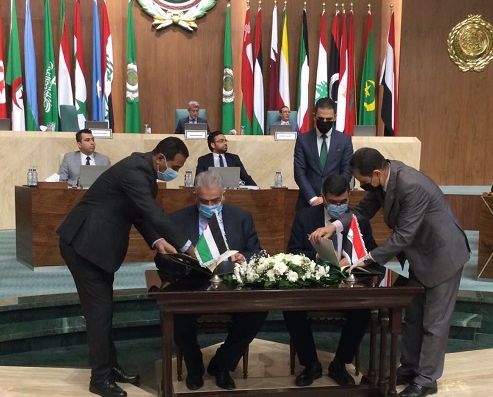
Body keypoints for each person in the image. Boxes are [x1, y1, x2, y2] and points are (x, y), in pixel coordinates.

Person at [309, 148, 470, 397]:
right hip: (421, 256)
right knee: (413, 317)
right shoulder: (384, 179)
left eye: (362, 181)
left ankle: (426, 379)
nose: (361, 186)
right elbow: (361, 212)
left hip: (443, 255)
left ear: (375, 173)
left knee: (434, 322)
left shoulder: (411, 186)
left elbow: (404, 236)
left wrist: (367, 259)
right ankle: (410, 367)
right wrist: (334, 226)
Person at [57, 137, 191, 397]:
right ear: (160, 158)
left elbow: (139, 214)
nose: (175, 172)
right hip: (84, 245)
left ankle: (110, 367)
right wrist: (187, 246)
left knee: (103, 310)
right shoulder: (135, 171)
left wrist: (158, 240)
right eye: (175, 166)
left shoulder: (144, 172)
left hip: (97, 247)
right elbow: (152, 212)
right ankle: (99, 379)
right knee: (99, 314)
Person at [155, 170, 266, 391]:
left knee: (258, 311)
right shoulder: (176, 219)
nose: (210, 205)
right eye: (204, 201)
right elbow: (160, 260)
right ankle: (194, 368)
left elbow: (257, 251)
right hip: (192, 283)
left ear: (224, 195)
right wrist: (178, 259)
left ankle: (222, 365)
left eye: (215, 200)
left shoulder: (242, 217)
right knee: (179, 316)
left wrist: (242, 257)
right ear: (195, 197)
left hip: (231, 283)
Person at [284, 175, 382, 387]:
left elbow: (372, 252)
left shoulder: (358, 219)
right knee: (291, 308)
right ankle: (311, 364)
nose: (339, 206)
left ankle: (339, 364)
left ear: (349, 196)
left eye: (343, 201)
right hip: (314, 285)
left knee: (363, 310)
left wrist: (355, 262)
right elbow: (292, 252)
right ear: (323, 198)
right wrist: (317, 256)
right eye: (333, 202)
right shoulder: (305, 217)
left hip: (349, 285)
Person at [293, 97, 354, 210]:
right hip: (307, 203)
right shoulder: (303, 140)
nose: (324, 122)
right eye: (321, 118)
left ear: (335, 117)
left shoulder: (345, 140)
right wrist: (313, 199)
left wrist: (328, 197)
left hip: (336, 203)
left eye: (328, 119)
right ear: (314, 116)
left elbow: (347, 171)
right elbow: (299, 172)